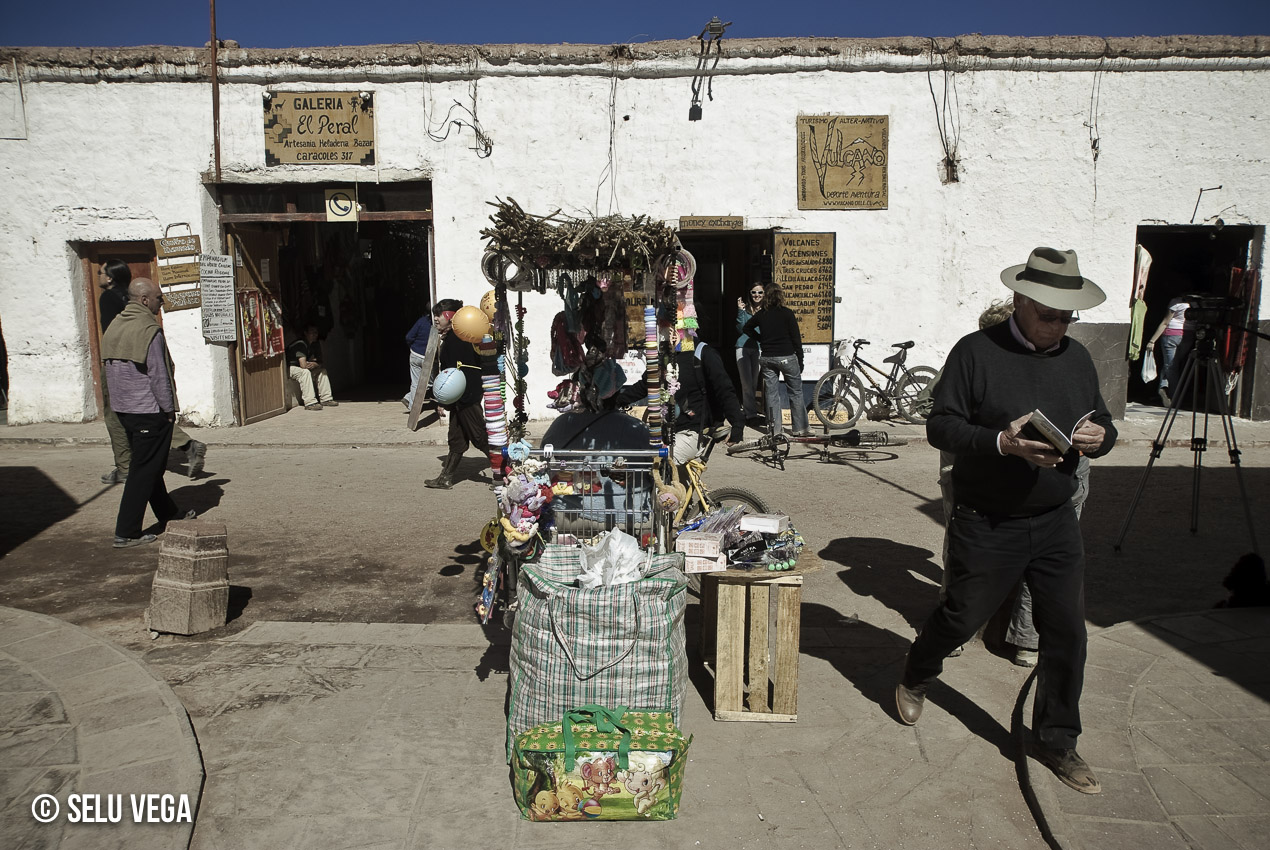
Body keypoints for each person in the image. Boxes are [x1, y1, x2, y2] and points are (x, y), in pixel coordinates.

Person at [896, 247, 1117, 797]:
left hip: (1055, 519)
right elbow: (941, 427)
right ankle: (917, 670)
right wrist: (1001, 442)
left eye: (1069, 316)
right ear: (1020, 300)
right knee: (960, 615)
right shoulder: (975, 353)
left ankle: (1057, 739)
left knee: (1066, 632)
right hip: (987, 521)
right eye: (1050, 314)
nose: (1060, 326)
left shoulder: (1078, 358)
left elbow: (1103, 421)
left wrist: (1101, 439)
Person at [100, 279, 197, 547]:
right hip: (148, 411)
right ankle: (126, 532)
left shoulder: (114, 327)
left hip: (123, 410)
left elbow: (107, 372)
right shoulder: (149, 330)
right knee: (142, 472)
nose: (161, 302)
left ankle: (168, 513)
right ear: (144, 300)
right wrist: (169, 411)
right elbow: (159, 375)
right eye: (158, 298)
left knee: (149, 465)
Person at [98, 260, 206, 484]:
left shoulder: (113, 299)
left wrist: (169, 407)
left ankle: (127, 466)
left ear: (110, 277)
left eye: (101, 273)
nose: (160, 304)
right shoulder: (132, 303)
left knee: (117, 416)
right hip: (132, 360)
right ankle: (184, 447)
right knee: (149, 415)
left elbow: (157, 372)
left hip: (119, 360)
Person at [425, 300, 488, 489]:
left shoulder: (459, 338)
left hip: (466, 396)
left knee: (480, 437)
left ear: (450, 316)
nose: (435, 318)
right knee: (457, 439)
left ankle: (509, 472)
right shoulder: (456, 336)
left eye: (439, 314)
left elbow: (452, 373)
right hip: (459, 397)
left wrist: (443, 399)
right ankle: (446, 478)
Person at [741, 283, 810, 437]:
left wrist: (761, 339)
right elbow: (796, 339)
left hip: (767, 358)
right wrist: (800, 359)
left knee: (771, 395)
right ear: (780, 296)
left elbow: (746, 328)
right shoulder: (787, 314)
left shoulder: (761, 314)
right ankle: (800, 429)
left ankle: (774, 430)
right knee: (796, 392)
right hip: (787, 357)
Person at [1144, 296, 1192, 406]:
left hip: (1171, 335)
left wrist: (1152, 341)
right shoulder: (1196, 303)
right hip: (1188, 335)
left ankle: (1174, 397)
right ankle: (1163, 387)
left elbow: (1165, 322)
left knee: (1171, 367)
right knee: (1172, 365)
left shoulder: (1176, 302)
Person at [287, 324, 338, 410]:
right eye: (312, 332)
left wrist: (315, 364)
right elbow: (303, 365)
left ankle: (326, 399)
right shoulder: (301, 343)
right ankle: (310, 403)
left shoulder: (315, 344)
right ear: (306, 333)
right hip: (289, 368)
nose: (314, 334)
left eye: (316, 332)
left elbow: (320, 361)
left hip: (298, 367)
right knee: (305, 372)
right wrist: (312, 363)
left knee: (322, 371)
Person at [734, 283, 765, 424]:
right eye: (754, 292)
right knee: (746, 382)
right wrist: (740, 311)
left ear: (764, 294)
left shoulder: (766, 310)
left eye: (760, 292)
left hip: (758, 348)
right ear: (750, 293)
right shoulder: (745, 310)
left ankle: (751, 410)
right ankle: (750, 414)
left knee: (753, 382)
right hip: (743, 347)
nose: (757, 295)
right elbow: (741, 329)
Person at [402, 306, 433, 409]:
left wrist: (413, 347)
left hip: (415, 354)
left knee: (416, 383)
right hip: (428, 356)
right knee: (429, 382)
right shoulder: (437, 324)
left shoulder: (421, 321)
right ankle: (411, 402)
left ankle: (410, 402)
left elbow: (409, 337)